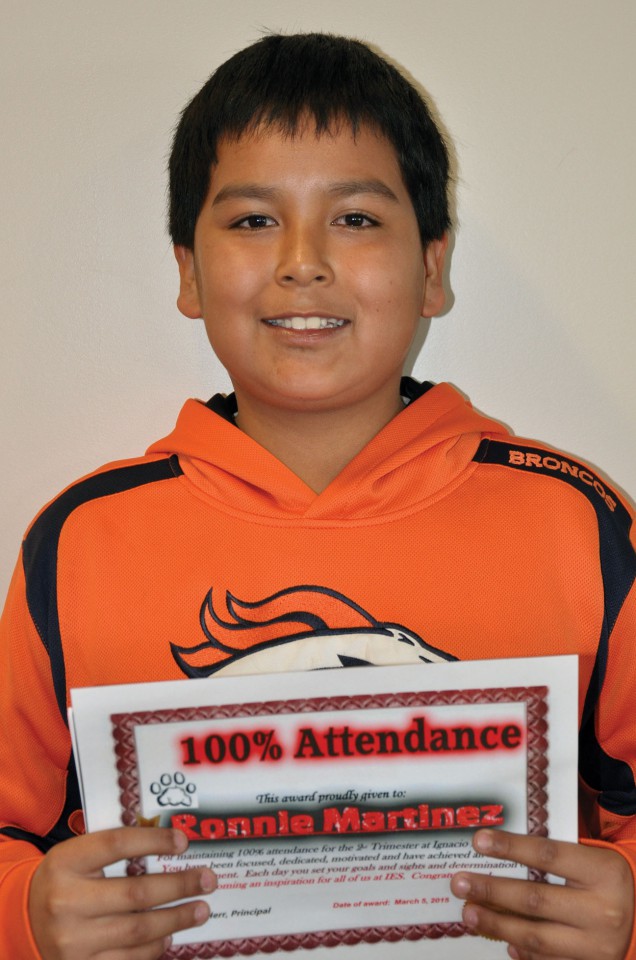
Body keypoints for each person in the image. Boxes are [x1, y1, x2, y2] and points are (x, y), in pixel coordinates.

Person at [1, 30, 635, 960]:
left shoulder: (574, 521)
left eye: (357, 218)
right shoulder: (81, 540)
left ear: (432, 268)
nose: (303, 261)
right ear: (187, 271)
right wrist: (25, 916)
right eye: (254, 220)